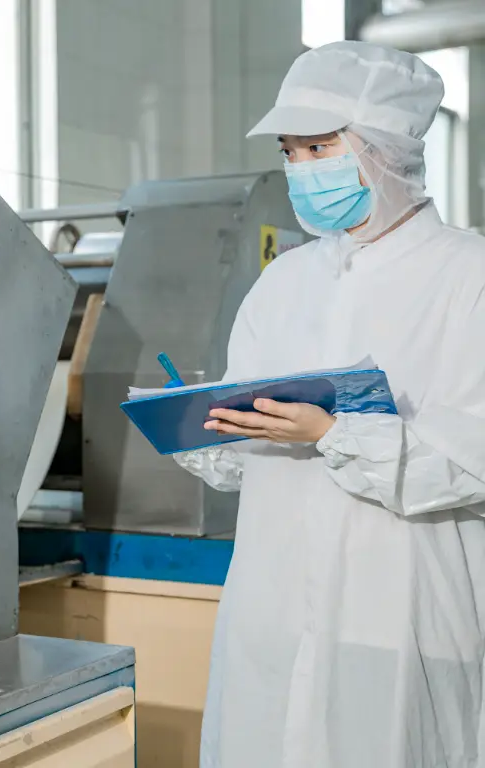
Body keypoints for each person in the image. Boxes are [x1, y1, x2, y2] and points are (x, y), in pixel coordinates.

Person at [175, 41, 485, 767]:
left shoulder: (468, 277)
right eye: (291, 151)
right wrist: (210, 426)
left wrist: (338, 433)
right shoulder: (284, 281)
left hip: (402, 618)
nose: (303, 170)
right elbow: (247, 457)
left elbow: (475, 459)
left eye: (320, 146)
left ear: (388, 149)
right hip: (273, 610)